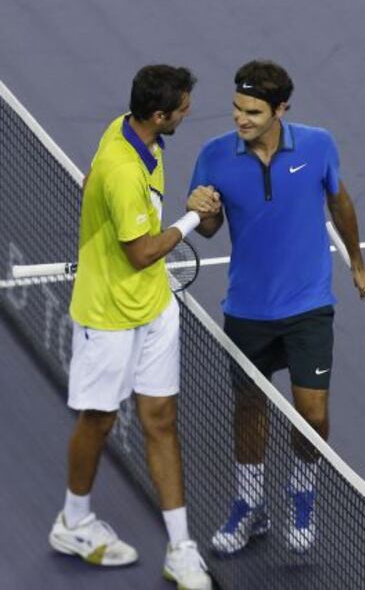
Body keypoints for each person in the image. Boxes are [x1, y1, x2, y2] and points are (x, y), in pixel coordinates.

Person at [187, 59, 365, 554]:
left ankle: (301, 493)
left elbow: (340, 203)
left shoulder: (318, 145)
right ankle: (250, 505)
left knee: (312, 415)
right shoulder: (213, 156)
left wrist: (357, 262)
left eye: (252, 111)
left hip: (309, 305)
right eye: (236, 108)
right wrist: (201, 212)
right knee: (249, 408)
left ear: (280, 109)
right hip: (247, 309)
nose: (239, 119)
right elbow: (210, 229)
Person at [49, 64, 219, 590]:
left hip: (153, 308)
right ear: (159, 114)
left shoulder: (130, 131)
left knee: (161, 418)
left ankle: (181, 547)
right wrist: (190, 217)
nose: (188, 113)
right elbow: (143, 252)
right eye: (182, 109)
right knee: (98, 421)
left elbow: (91, 184)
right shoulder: (124, 169)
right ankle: (73, 522)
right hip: (109, 317)